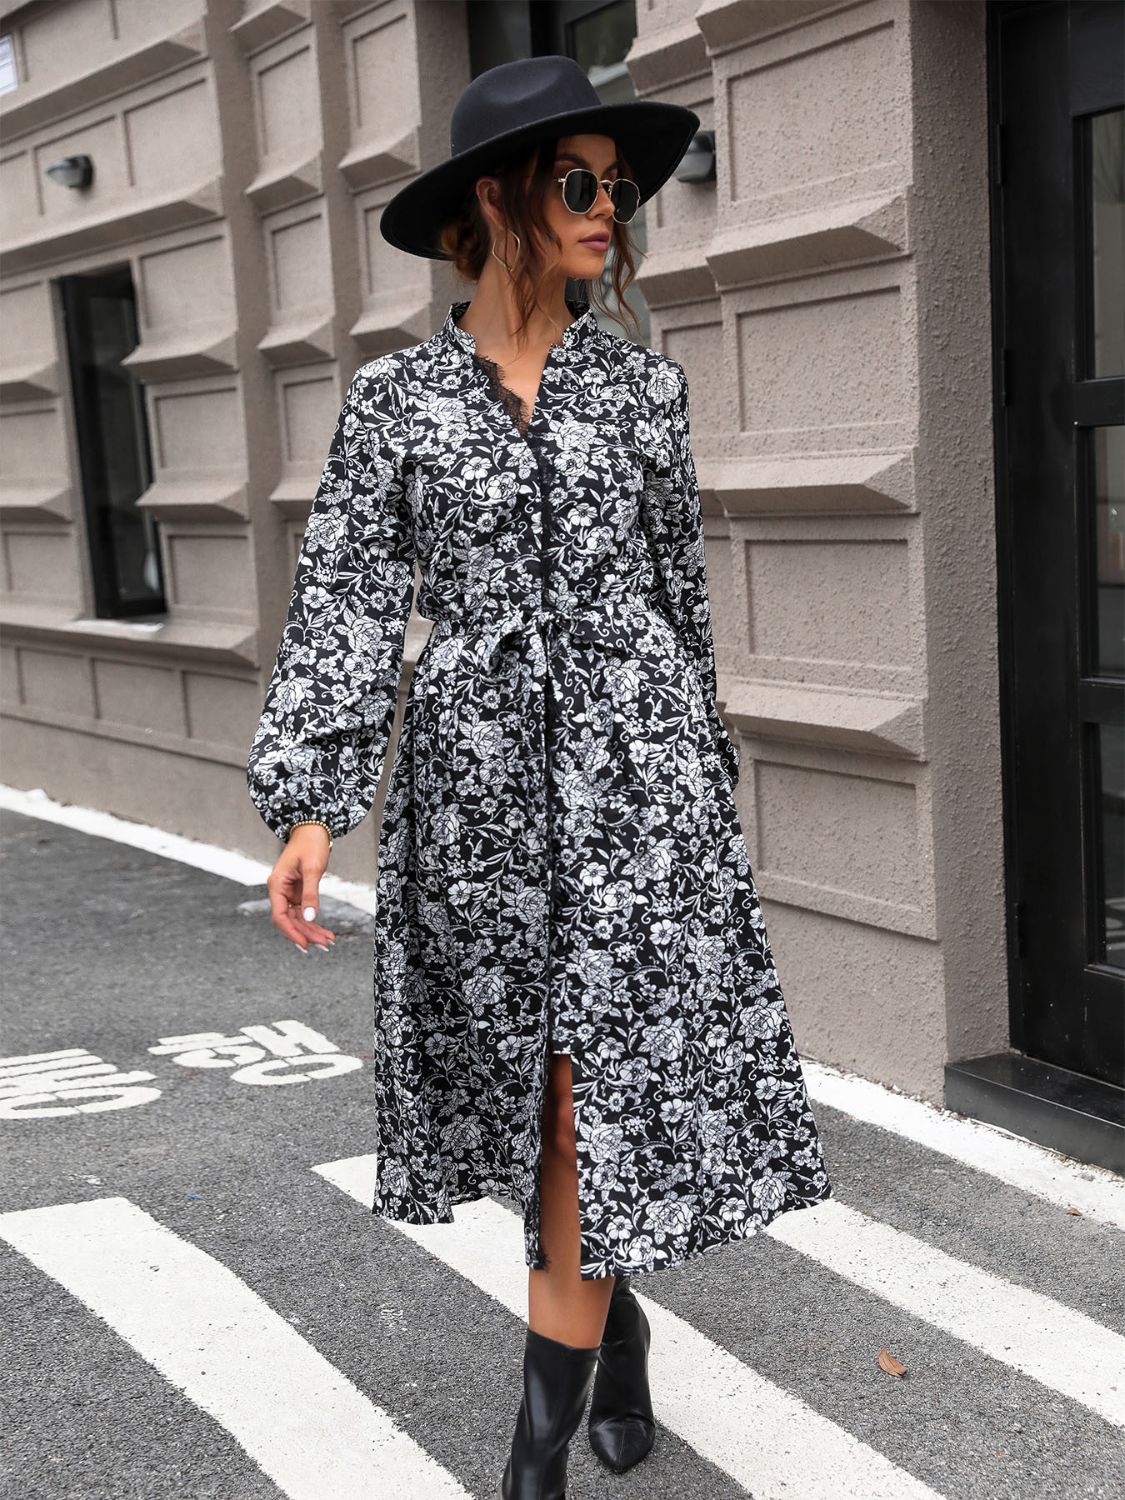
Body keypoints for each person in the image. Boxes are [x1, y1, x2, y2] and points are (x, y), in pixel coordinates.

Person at [246, 54, 832, 1500]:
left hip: (637, 789)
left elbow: (678, 599)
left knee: (584, 1099)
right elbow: (346, 601)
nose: (607, 207)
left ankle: (532, 1471)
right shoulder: (394, 403)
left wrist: (701, 785)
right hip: (479, 794)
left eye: (616, 186)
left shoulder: (642, 390)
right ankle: (615, 1337)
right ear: (497, 201)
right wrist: (312, 801)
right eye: (578, 181)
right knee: (532, 1091)